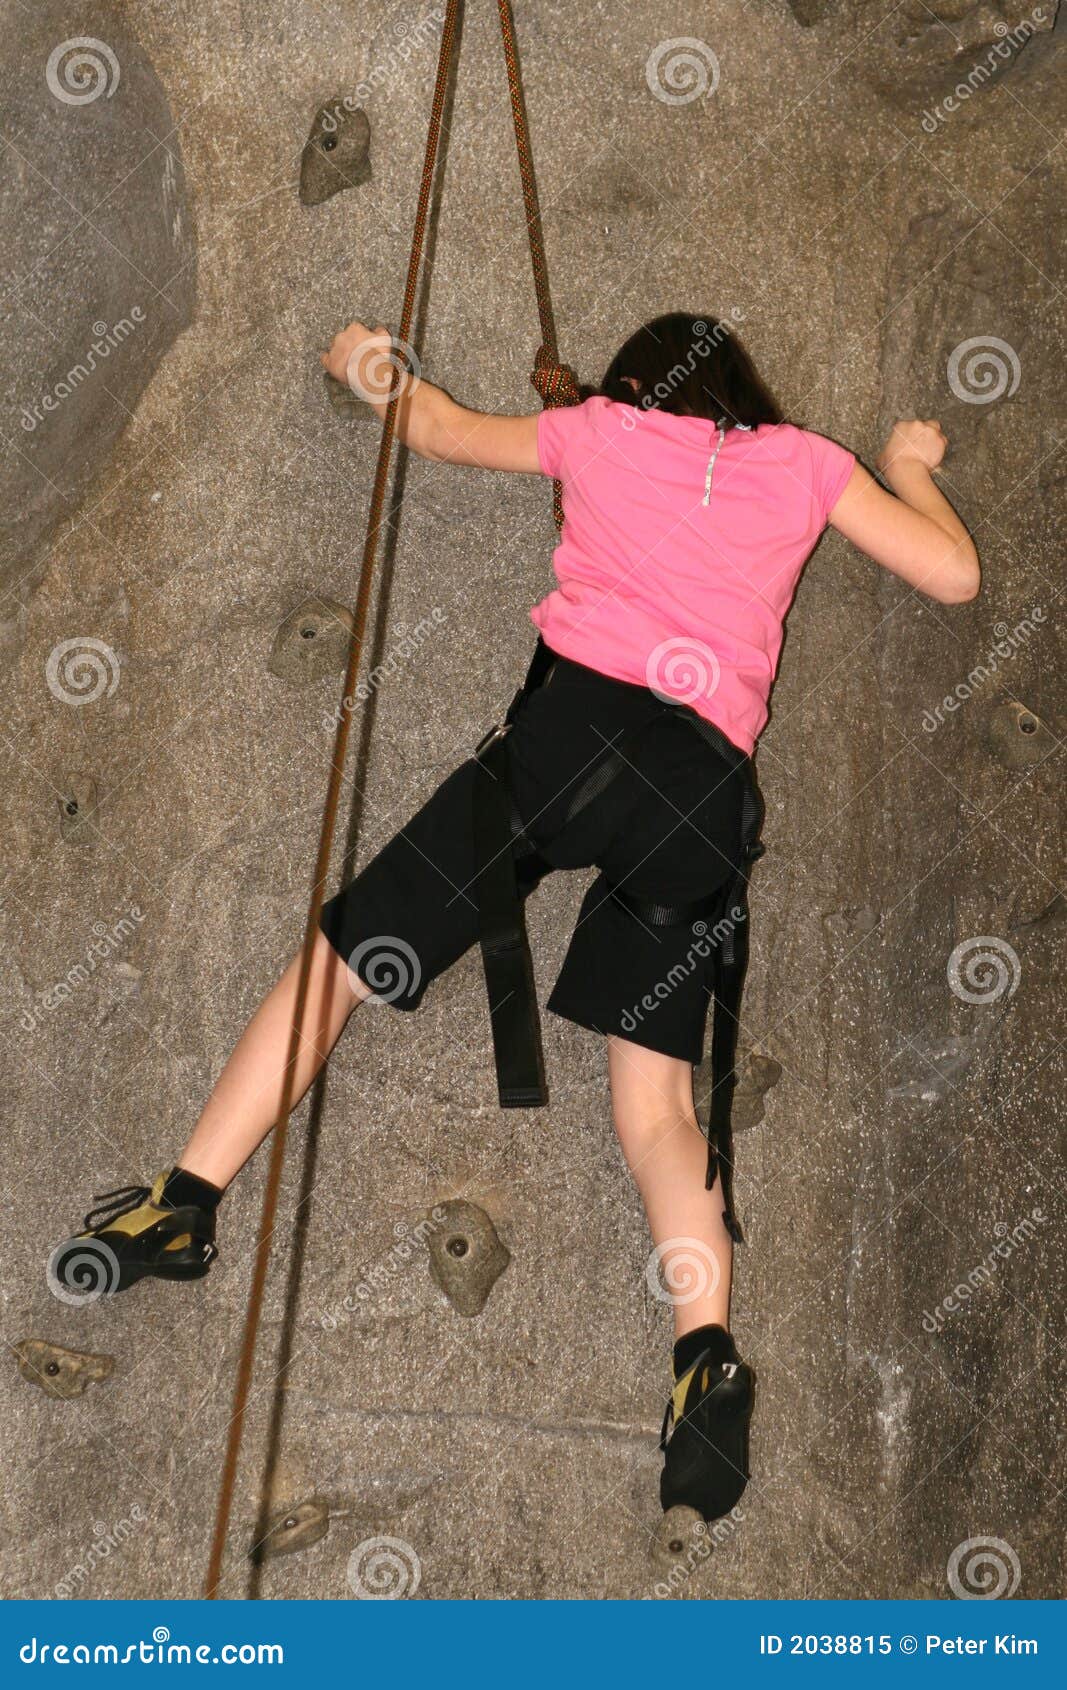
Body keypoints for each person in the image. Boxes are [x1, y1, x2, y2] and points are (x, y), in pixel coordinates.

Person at [52, 313, 980, 1524]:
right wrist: (907, 464)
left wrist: (358, 360)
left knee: (341, 964)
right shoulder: (806, 462)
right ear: (742, 394)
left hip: (565, 748)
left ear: (635, 387)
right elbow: (955, 578)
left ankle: (184, 1202)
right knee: (655, 1106)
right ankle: (704, 1355)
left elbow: (429, 424)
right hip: (696, 791)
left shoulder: (596, 431)